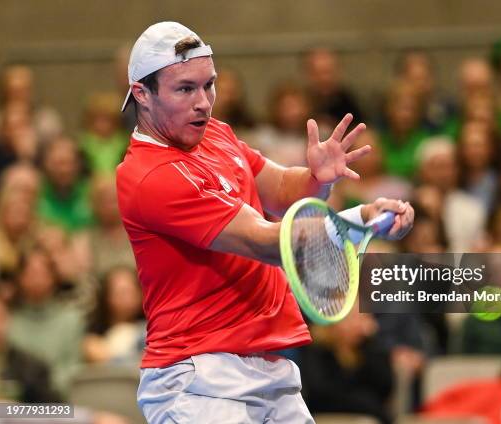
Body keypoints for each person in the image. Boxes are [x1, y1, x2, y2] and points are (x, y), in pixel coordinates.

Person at [116, 22, 415, 424]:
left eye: (209, 85)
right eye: (185, 89)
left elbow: (280, 188)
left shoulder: (215, 134)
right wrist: (357, 219)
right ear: (142, 95)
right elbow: (268, 242)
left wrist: (316, 179)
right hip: (199, 381)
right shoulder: (150, 177)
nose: (204, 102)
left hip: (270, 369)